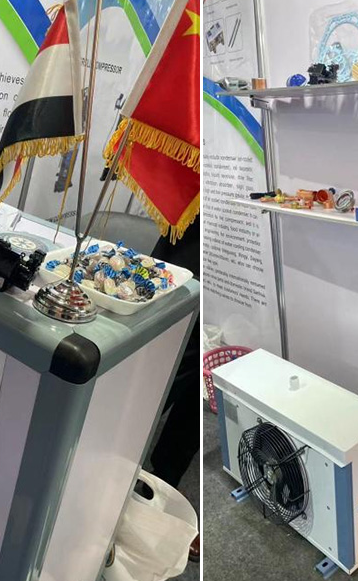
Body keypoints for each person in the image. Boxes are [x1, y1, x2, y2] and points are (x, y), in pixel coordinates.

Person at [146, 216, 200, 561]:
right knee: (156, 373)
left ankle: (161, 488)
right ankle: (103, 481)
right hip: (190, 236)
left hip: (238, 256)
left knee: (202, 383)